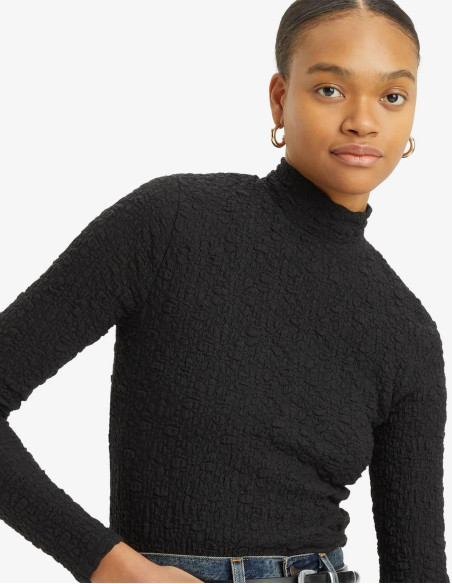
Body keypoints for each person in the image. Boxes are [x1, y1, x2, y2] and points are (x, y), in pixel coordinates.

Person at [0, 0, 448, 582]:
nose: (363, 121)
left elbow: (418, 572)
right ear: (280, 99)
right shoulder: (170, 225)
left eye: (392, 96)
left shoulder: (408, 334)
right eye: (331, 90)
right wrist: (111, 566)